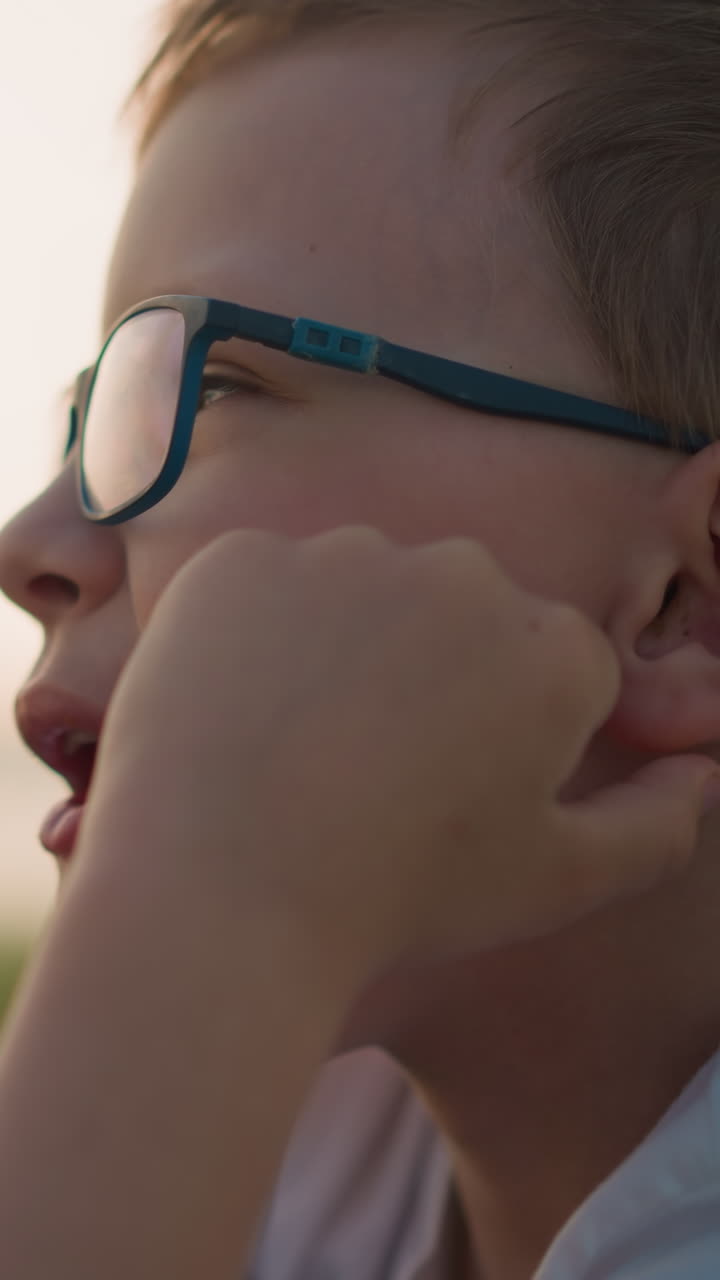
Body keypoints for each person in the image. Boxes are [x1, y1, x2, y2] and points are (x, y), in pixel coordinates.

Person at [0, 1, 719, 1276]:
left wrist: (220, 901)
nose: (32, 540)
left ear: (690, 594)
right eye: (87, 417)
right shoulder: (303, 1127)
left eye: (210, 387)